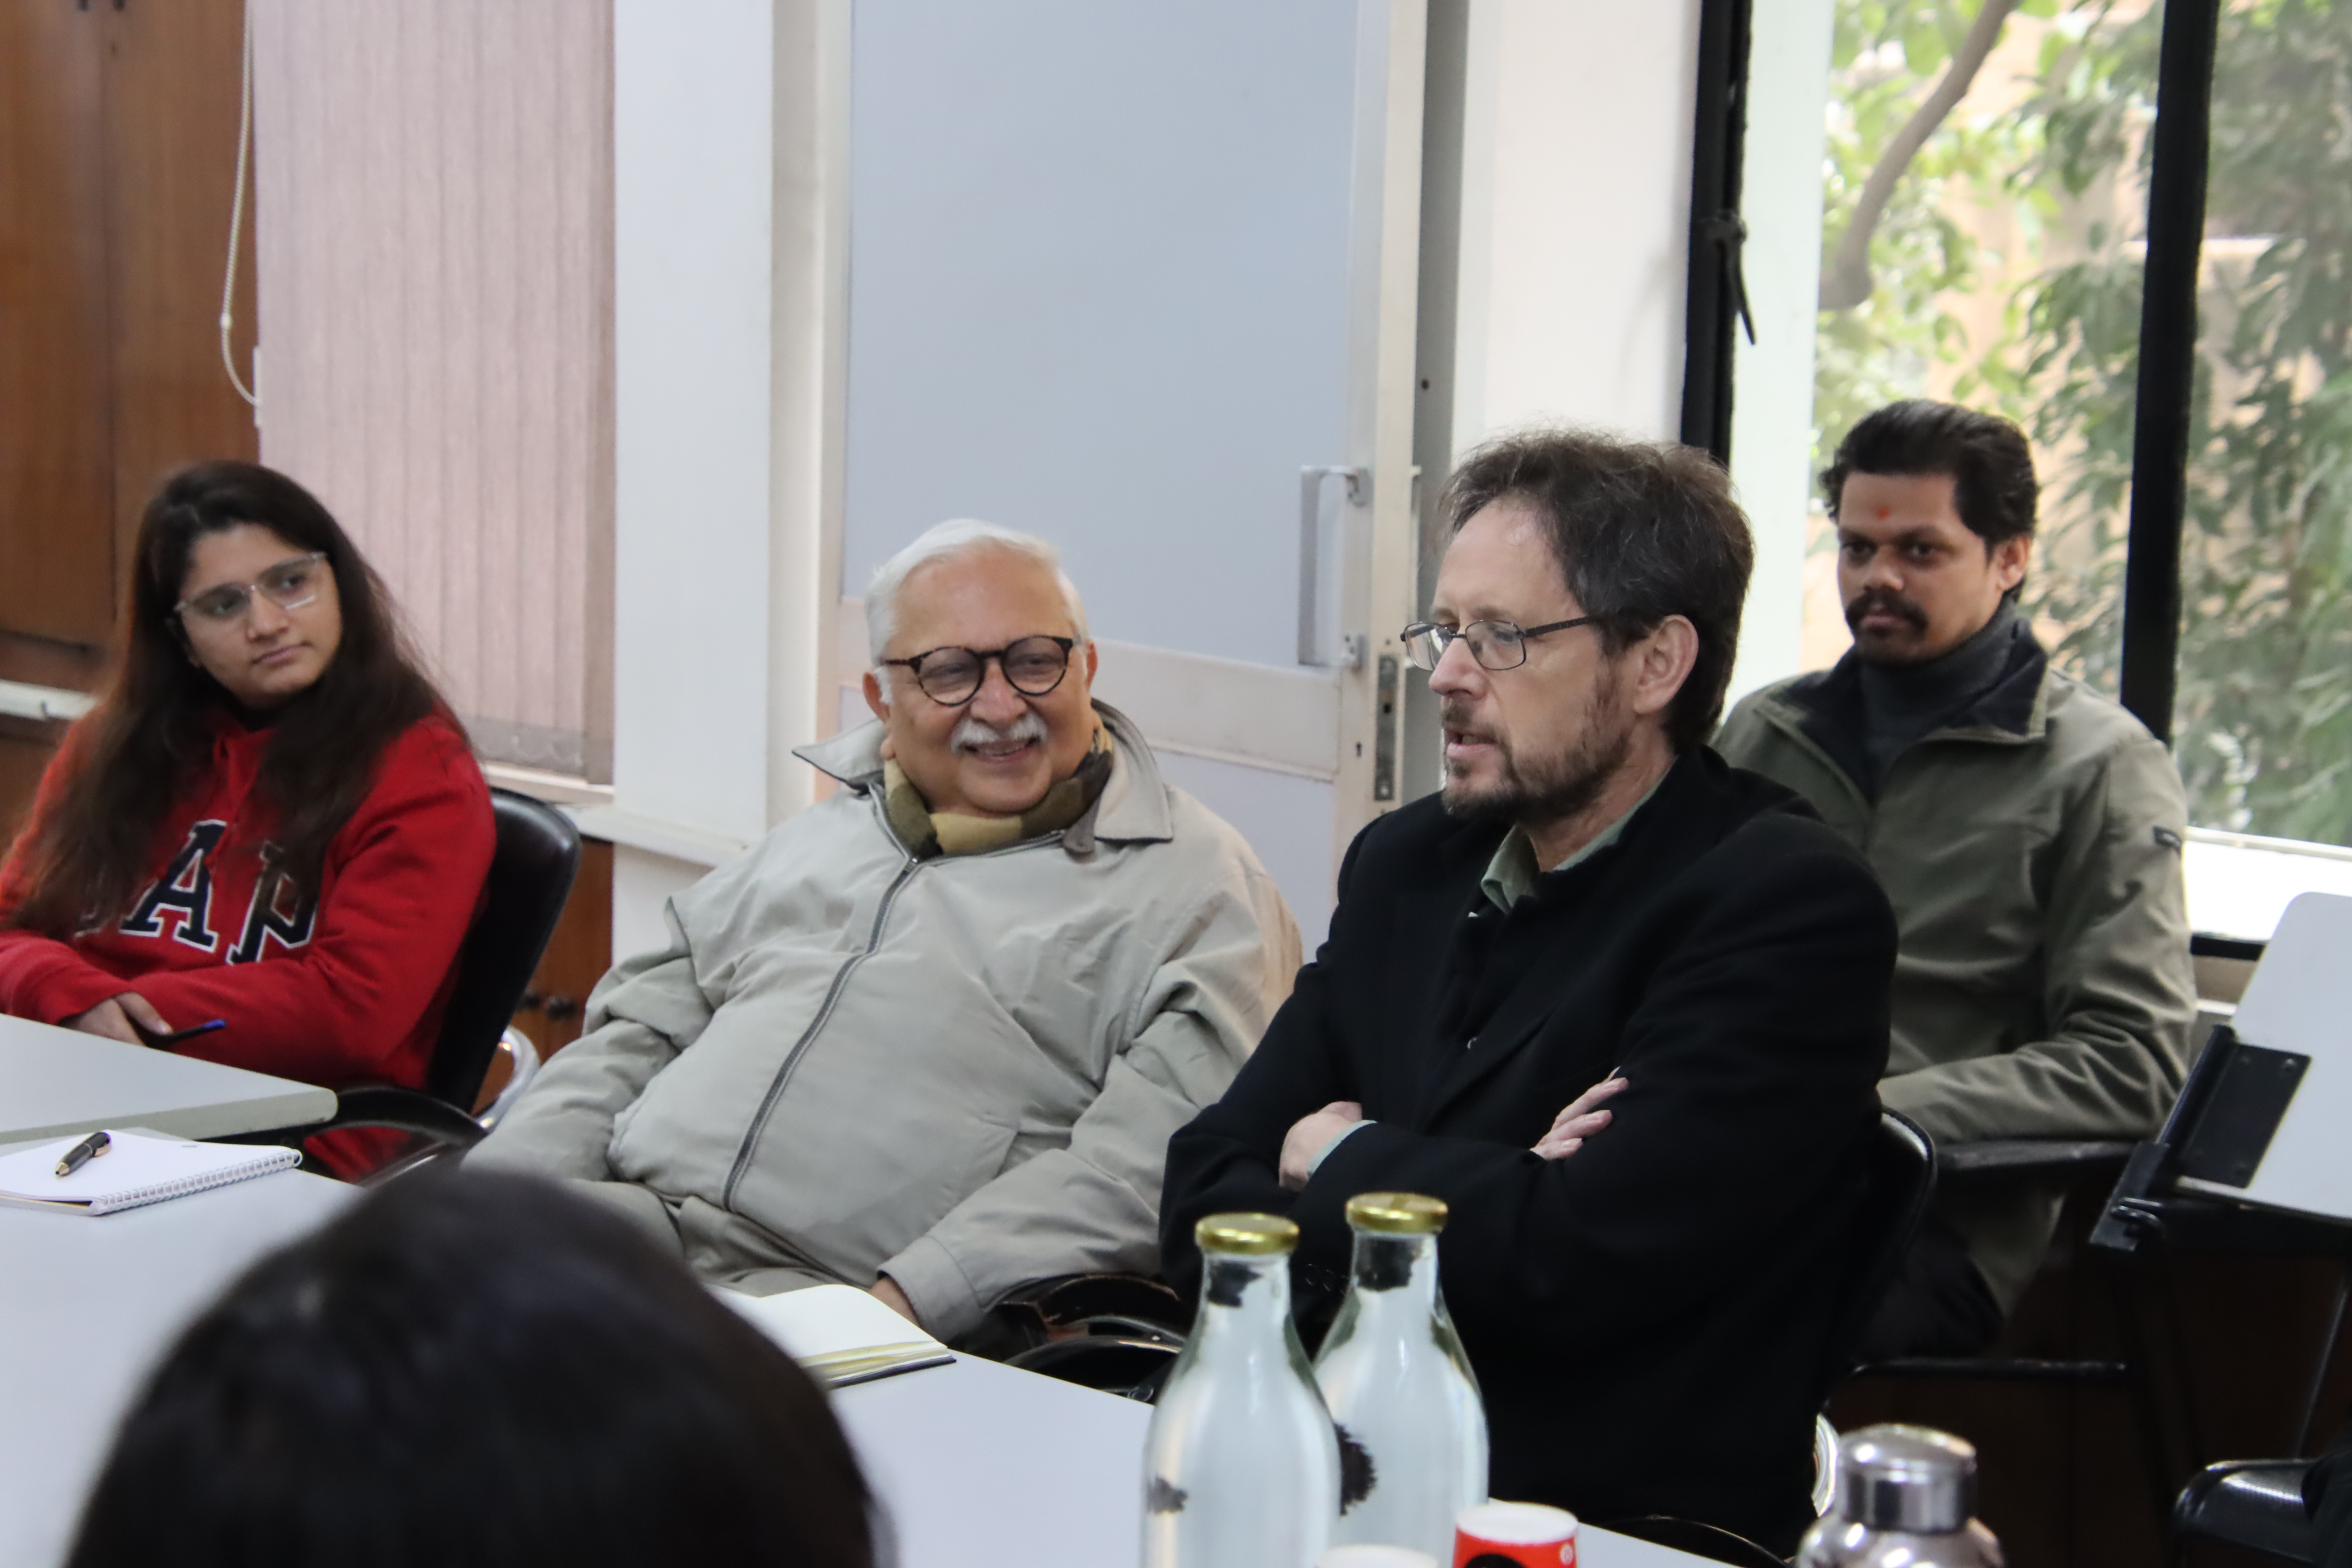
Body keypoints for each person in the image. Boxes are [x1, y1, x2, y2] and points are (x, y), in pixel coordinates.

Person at [1160, 429, 1899, 1554]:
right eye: (1445, 630)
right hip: (1333, 1488)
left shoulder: (1784, 906)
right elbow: (1202, 1192)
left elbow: (1573, 1267)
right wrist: (1500, 1184)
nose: (1447, 676)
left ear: (1655, 664)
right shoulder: (1412, 863)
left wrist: (1340, 1154)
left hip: (1602, 1523)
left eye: (1501, 637)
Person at [471, 520, 1299, 1344]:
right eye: (950, 673)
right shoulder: (831, 828)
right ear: (881, 699)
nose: (1001, 706)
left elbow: (1137, 1171)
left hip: (836, 1299)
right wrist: (485, 1206)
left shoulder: (1200, 890)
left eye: (1034, 660)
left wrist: (895, 1310)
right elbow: (638, 1032)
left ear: (1085, 666)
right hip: (628, 1231)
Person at [1716, 400, 2196, 1359]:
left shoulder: (2100, 766)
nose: (1878, 577)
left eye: (1921, 551)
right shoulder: (1765, 732)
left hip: (1922, 1220)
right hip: (1713, 1159)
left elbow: (2136, 1063)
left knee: (1678, 1316)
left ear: (2009, 558)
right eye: (1857, 548)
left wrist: (1869, 1111)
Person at [0, 461, 495, 1178]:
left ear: (338, 583)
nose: (266, 624)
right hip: (85, 1093)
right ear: (182, 637)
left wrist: (118, 1013)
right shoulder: (112, 745)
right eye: (223, 605)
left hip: (288, 1132)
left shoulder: (421, 771)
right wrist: (68, 997)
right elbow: (12, 925)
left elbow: (353, 1010)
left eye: (290, 583)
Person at [63, 1169, 877, 1568]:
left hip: (815, 1265)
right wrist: (509, 1194)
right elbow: (624, 1039)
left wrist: (905, 1290)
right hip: (603, 1216)